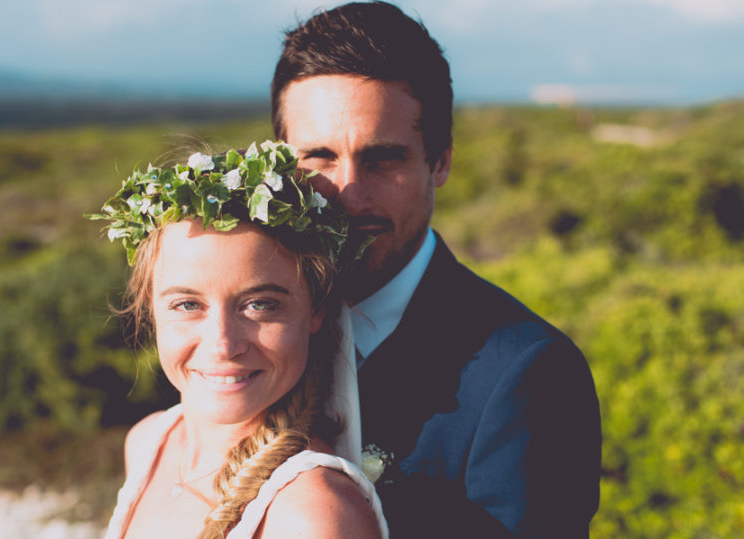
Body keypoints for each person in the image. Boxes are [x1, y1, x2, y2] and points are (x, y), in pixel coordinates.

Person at [271, 2, 602, 537]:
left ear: (440, 161)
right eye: (319, 158)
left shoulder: (529, 375)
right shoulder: (246, 340)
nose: (350, 194)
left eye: (382, 158)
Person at [89, 142, 387, 538]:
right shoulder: (147, 442)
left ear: (316, 309)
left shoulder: (312, 514)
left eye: (260, 304)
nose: (223, 344)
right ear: (149, 308)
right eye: (187, 304)